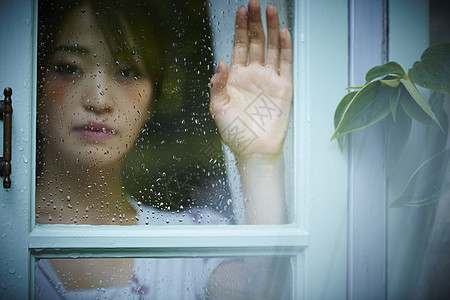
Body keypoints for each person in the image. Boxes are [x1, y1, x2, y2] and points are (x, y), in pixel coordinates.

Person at [35, 0, 292, 298]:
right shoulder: (9, 229)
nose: (98, 99)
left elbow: (264, 293)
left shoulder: (190, 246)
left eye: (127, 72)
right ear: (33, 81)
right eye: (69, 68)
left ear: (151, 100)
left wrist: (259, 159)